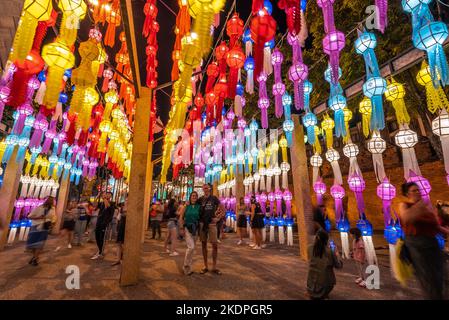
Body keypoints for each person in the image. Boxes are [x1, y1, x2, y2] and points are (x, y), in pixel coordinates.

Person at [398, 182, 446, 300]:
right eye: (414, 190)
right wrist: (419, 205)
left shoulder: (426, 208)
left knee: (442, 276)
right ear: (407, 193)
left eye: (418, 190)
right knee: (429, 280)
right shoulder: (404, 205)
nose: (417, 192)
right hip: (417, 247)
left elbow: (436, 227)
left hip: (432, 245)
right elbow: (407, 218)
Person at [307, 229, 343, 299]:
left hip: (310, 286)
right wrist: (337, 254)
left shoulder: (309, 248)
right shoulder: (329, 252)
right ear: (326, 240)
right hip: (324, 287)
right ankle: (324, 294)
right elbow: (339, 266)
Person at [198, 183, 225, 275]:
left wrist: (218, 218)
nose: (205, 189)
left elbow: (222, 208)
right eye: (204, 188)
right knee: (203, 244)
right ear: (202, 189)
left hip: (212, 224)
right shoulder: (200, 199)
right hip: (202, 224)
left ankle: (214, 266)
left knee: (215, 245)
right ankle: (205, 266)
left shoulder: (214, 198)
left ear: (209, 189)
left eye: (207, 188)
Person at [26, 197, 57, 266]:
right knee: (38, 244)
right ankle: (35, 258)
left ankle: (35, 258)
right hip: (38, 227)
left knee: (36, 243)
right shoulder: (40, 208)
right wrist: (40, 218)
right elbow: (29, 216)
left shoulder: (51, 209)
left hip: (41, 227)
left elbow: (29, 216)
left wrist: (52, 223)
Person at [179, 191, 200, 275]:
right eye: (192, 196)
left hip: (196, 229)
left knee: (193, 248)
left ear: (197, 198)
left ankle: (189, 267)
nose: (194, 197)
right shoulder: (186, 206)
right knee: (191, 247)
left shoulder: (199, 207)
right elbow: (181, 217)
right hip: (187, 228)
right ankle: (185, 266)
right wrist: (181, 228)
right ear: (190, 197)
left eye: (195, 196)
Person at [91, 192, 115, 260]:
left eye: (109, 194)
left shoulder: (112, 203)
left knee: (102, 238)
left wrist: (104, 198)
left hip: (105, 223)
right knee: (97, 236)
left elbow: (107, 206)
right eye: (106, 194)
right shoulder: (101, 203)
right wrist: (97, 196)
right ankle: (99, 250)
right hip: (99, 221)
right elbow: (94, 205)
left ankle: (100, 253)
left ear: (110, 196)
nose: (107, 195)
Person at [112, 199, 127, 266]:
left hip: (126, 228)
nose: (126, 201)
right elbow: (118, 218)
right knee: (119, 243)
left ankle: (124, 259)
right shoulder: (122, 208)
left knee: (124, 244)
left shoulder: (131, 209)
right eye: (126, 200)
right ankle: (118, 259)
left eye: (128, 200)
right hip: (121, 226)